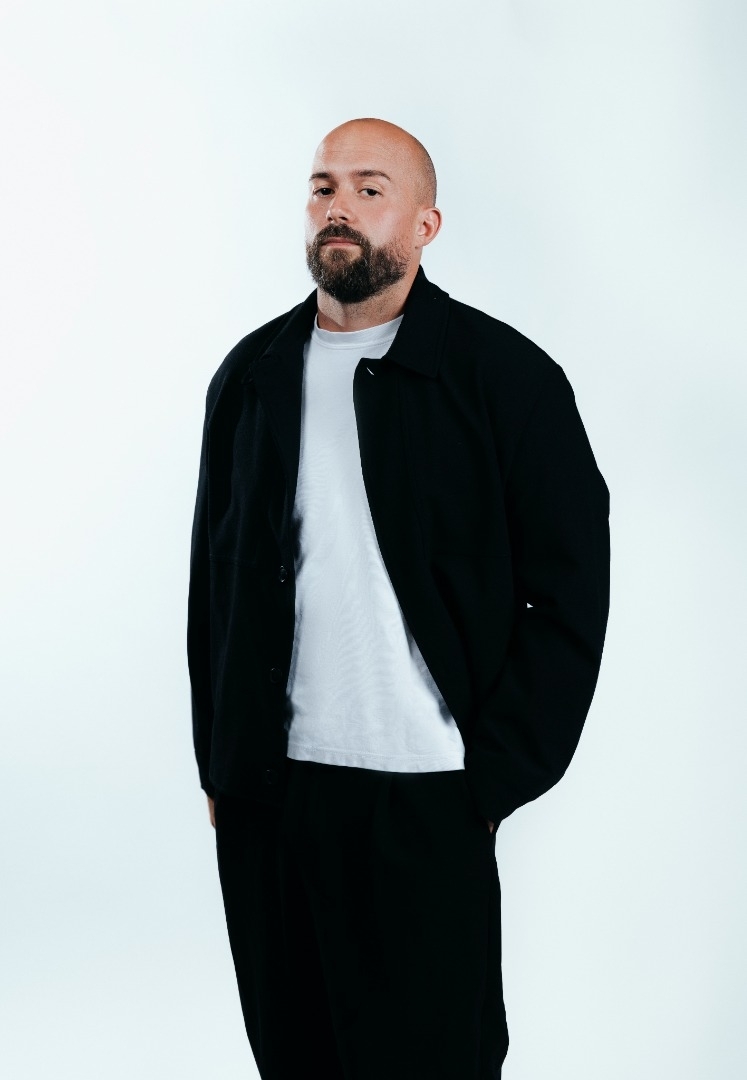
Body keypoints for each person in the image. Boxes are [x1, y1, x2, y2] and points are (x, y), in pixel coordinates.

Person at [187, 117, 610, 1080]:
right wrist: (220, 758)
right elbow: (214, 580)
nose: (337, 206)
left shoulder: (504, 378)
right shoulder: (252, 375)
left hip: (427, 797)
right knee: (295, 1056)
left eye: (369, 189)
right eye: (322, 186)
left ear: (425, 225)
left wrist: (492, 778)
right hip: (272, 796)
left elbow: (569, 593)